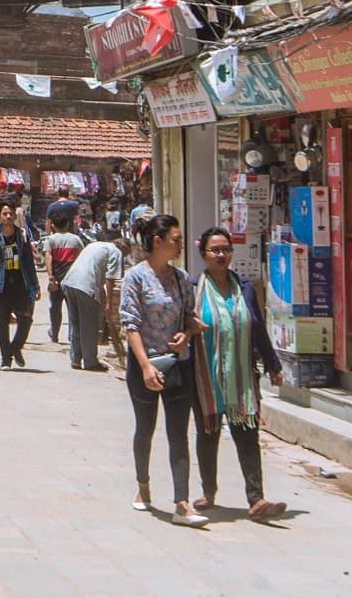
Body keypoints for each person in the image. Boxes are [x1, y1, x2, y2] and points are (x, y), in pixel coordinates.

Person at [192, 228, 285, 519]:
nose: (221, 255)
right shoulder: (193, 289)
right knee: (209, 433)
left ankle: (256, 499)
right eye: (215, 250)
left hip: (242, 376)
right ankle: (208, 492)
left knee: (247, 435)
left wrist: (272, 364)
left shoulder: (244, 288)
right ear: (203, 254)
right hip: (205, 376)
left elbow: (258, 327)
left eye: (226, 249)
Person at [122, 213, 206, 526]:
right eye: (176, 240)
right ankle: (143, 485)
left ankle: (182, 503)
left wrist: (188, 333)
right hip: (144, 367)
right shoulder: (135, 277)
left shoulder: (182, 278)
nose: (181, 245)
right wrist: (145, 366)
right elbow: (131, 325)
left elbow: (190, 317)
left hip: (178, 366)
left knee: (178, 433)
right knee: (145, 428)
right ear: (158, 241)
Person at [0, 202, 40, 369]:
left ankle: (15, 347)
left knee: (26, 318)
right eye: (5, 214)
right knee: (3, 323)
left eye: (11, 214)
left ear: (15, 216)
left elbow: (29, 262)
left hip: (21, 283)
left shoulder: (22, 236)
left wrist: (35, 285)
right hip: (3, 285)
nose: (8, 217)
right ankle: (6, 359)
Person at [63, 230, 122, 372]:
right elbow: (110, 279)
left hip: (70, 282)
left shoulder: (94, 245)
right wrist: (108, 304)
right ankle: (90, 362)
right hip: (86, 286)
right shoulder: (116, 251)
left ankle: (75, 359)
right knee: (89, 326)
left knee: (76, 323)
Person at [41, 218, 86, 344]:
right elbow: (81, 256)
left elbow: (48, 258)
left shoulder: (50, 240)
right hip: (72, 280)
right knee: (72, 309)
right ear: (67, 224)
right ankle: (73, 336)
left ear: (53, 225)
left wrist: (51, 277)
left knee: (55, 308)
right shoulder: (76, 239)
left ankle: (54, 334)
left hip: (57, 279)